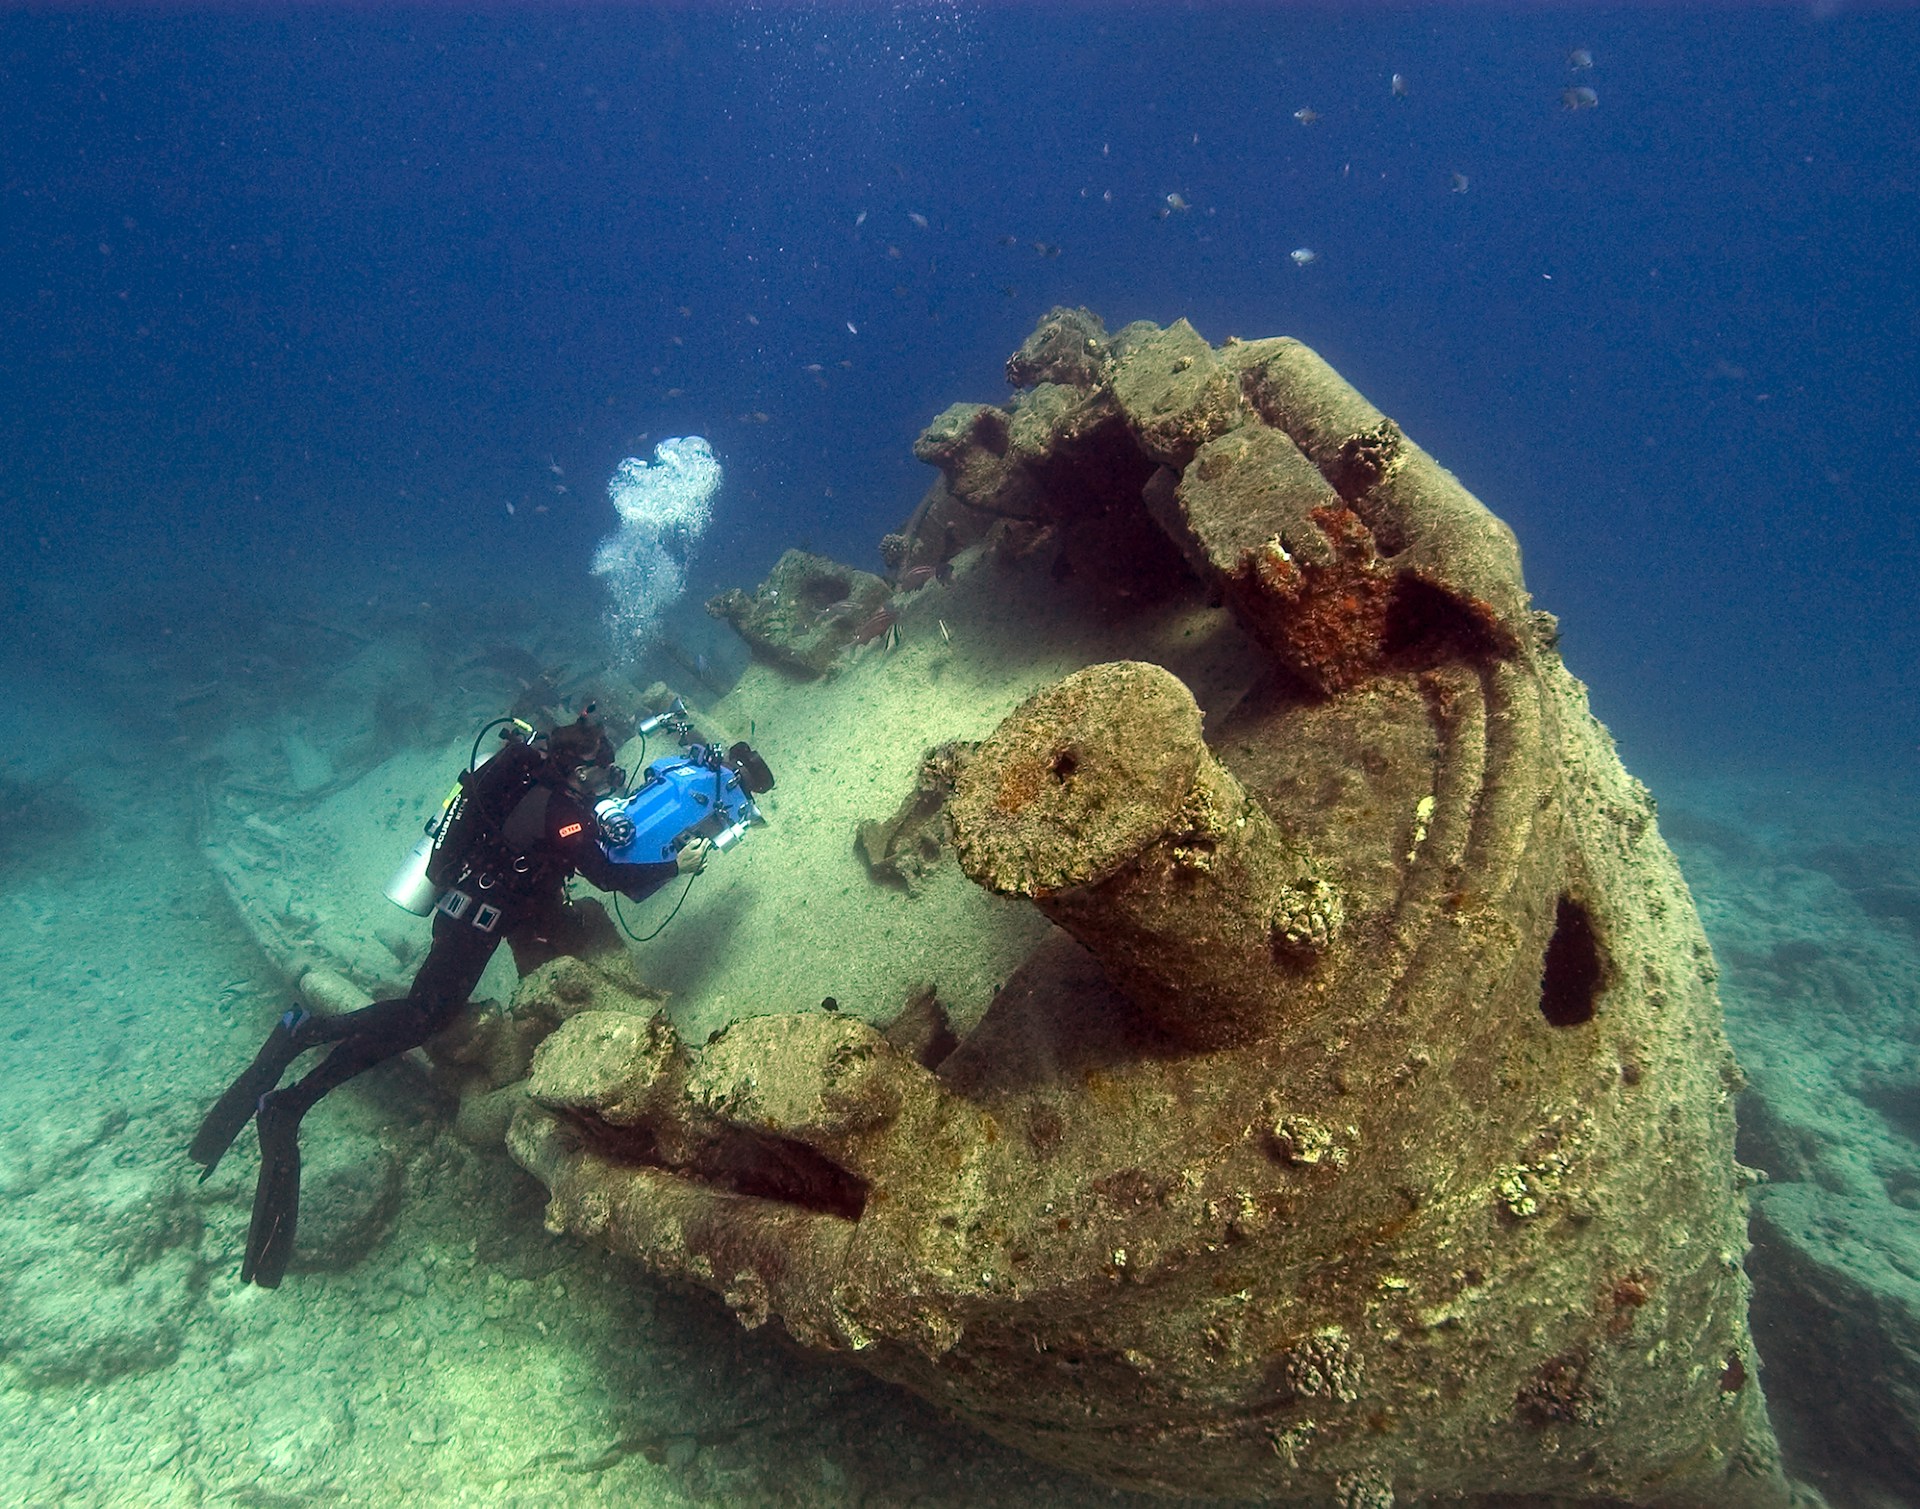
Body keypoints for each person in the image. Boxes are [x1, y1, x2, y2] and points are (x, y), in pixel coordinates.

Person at [188, 711, 710, 1288]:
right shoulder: (564, 811)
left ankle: (298, 1077)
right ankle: (301, 1057)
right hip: (476, 924)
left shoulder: (532, 783)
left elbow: (548, 858)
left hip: (462, 909)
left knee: (419, 1015)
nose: (609, 783)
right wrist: (677, 864)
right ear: (580, 768)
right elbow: (616, 881)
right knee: (422, 1015)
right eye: (604, 773)